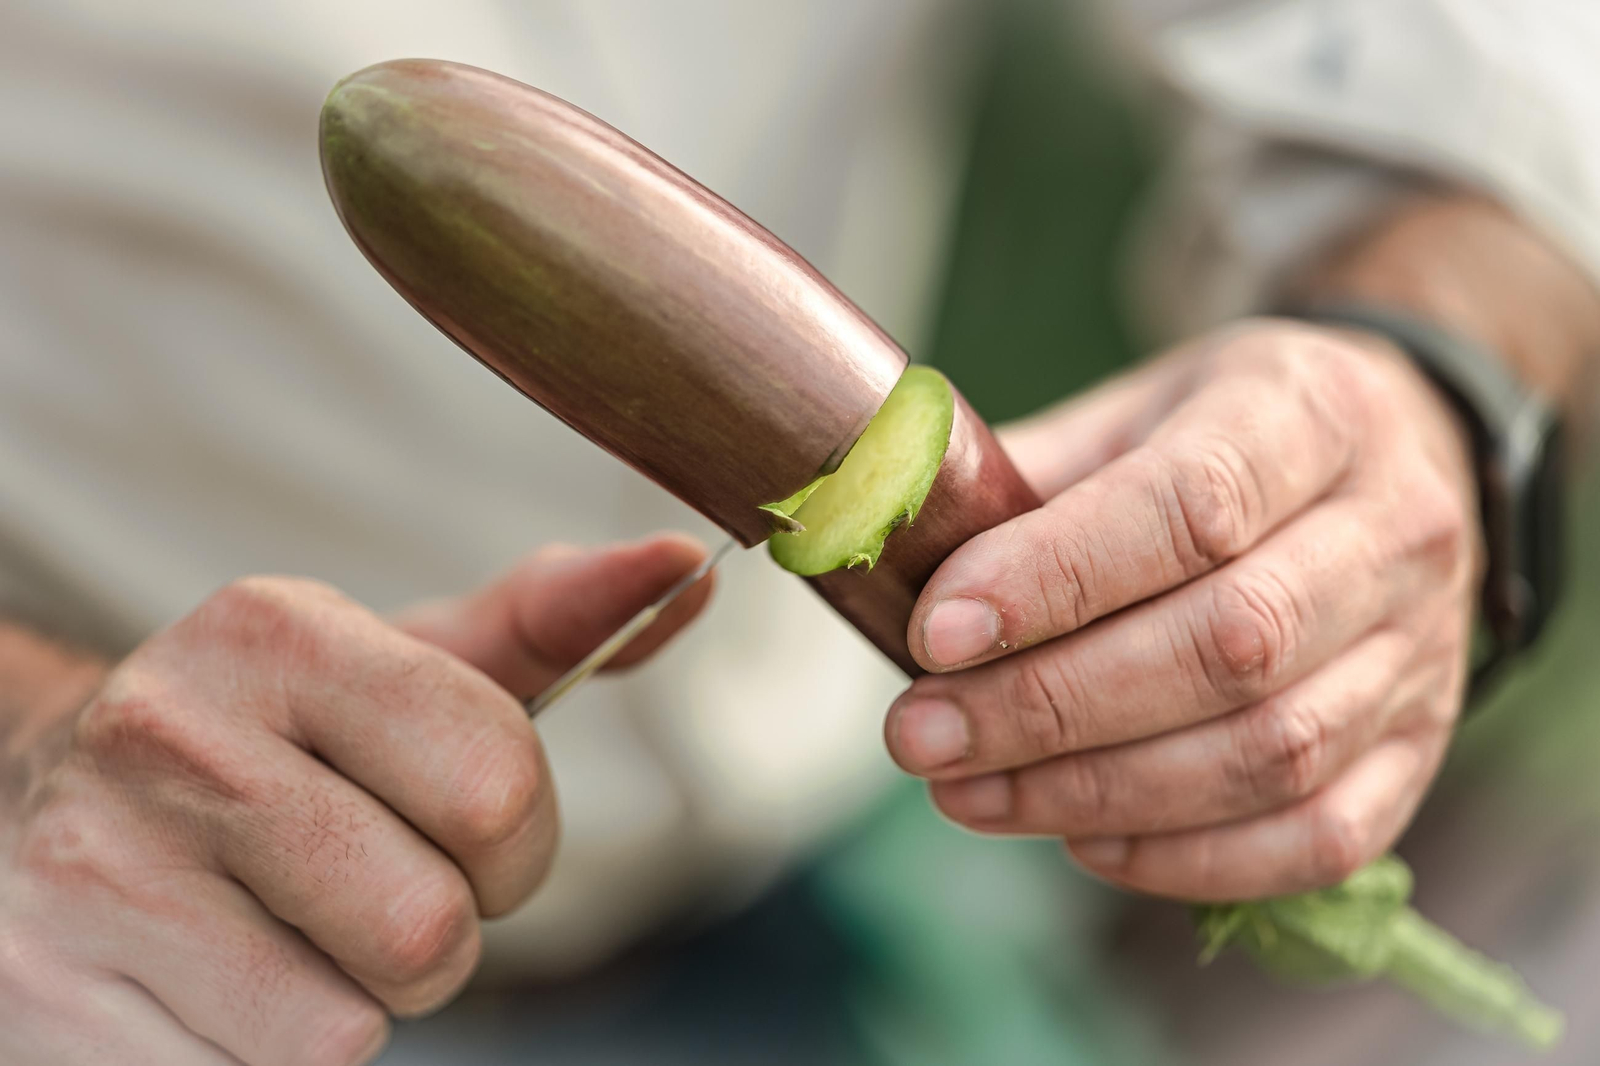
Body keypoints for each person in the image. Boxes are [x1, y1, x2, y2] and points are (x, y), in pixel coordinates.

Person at [2, 1, 1597, 1064]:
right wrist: (29, 743)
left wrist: (1425, 368)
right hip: (120, 968)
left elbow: (1465, 53)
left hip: (821, 879)